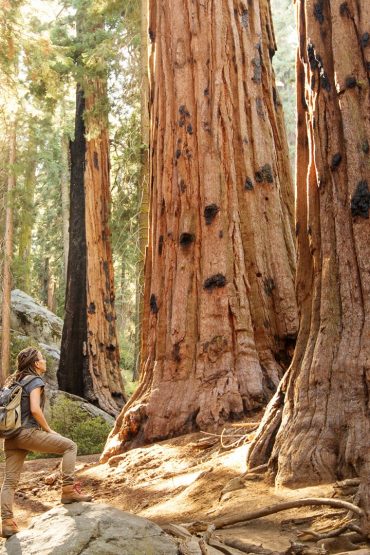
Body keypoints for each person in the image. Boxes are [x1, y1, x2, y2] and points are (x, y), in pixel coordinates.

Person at [1, 347, 92, 538]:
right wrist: (48, 430)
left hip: (10, 438)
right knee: (70, 446)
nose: (45, 362)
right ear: (36, 364)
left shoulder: (15, 382)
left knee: (9, 482)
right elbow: (35, 409)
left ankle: (7, 523)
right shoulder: (35, 380)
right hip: (27, 433)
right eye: (42, 359)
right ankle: (68, 489)